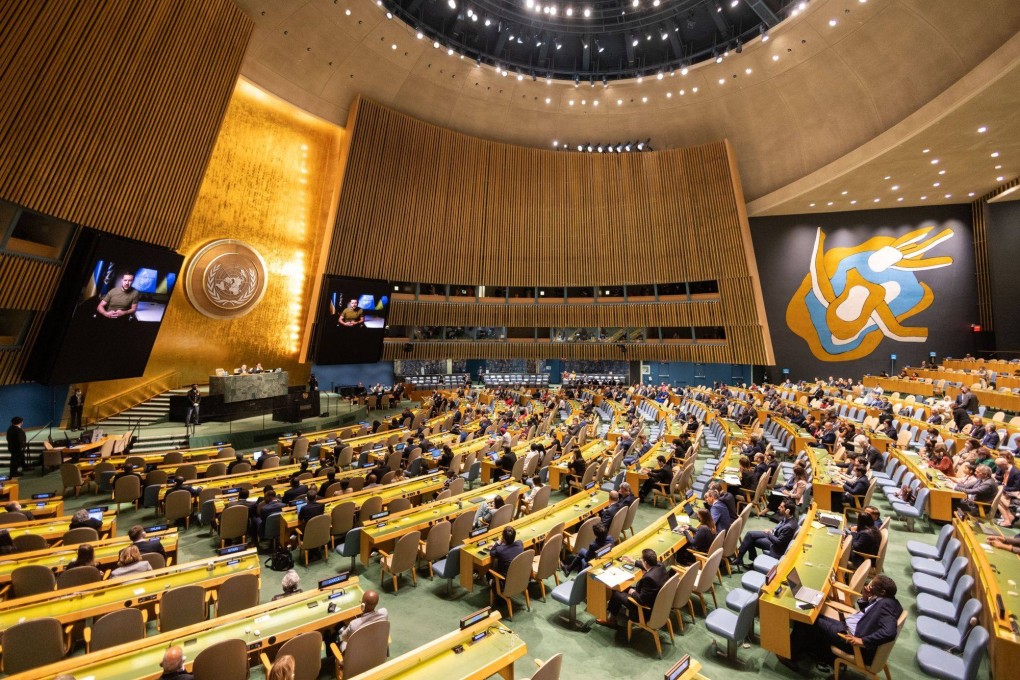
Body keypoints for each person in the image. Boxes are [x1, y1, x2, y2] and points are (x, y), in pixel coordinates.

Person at [784, 575, 903, 673]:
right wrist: (866, 598)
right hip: (849, 627)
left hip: (851, 640)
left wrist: (862, 641)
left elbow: (890, 632)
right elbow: (869, 615)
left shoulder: (887, 606)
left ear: (882, 591)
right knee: (817, 616)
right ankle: (814, 651)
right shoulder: (890, 601)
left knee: (808, 620)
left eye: (872, 585)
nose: (869, 586)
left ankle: (789, 655)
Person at [599, 548, 669, 626]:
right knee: (624, 588)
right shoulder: (660, 565)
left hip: (643, 609)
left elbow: (641, 600)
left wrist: (632, 592)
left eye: (641, 560)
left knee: (616, 592)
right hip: (656, 600)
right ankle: (613, 612)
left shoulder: (649, 578)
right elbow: (647, 566)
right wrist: (633, 561)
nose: (641, 561)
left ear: (645, 562)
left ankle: (611, 620)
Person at [735, 498, 797, 568]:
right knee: (750, 534)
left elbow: (778, 542)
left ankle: (748, 561)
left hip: (776, 547)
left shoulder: (789, 526)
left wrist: (769, 533)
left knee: (751, 540)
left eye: (781, 507)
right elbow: (778, 529)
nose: (778, 507)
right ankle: (740, 558)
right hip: (773, 535)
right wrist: (772, 531)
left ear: (787, 511)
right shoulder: (787, 518)